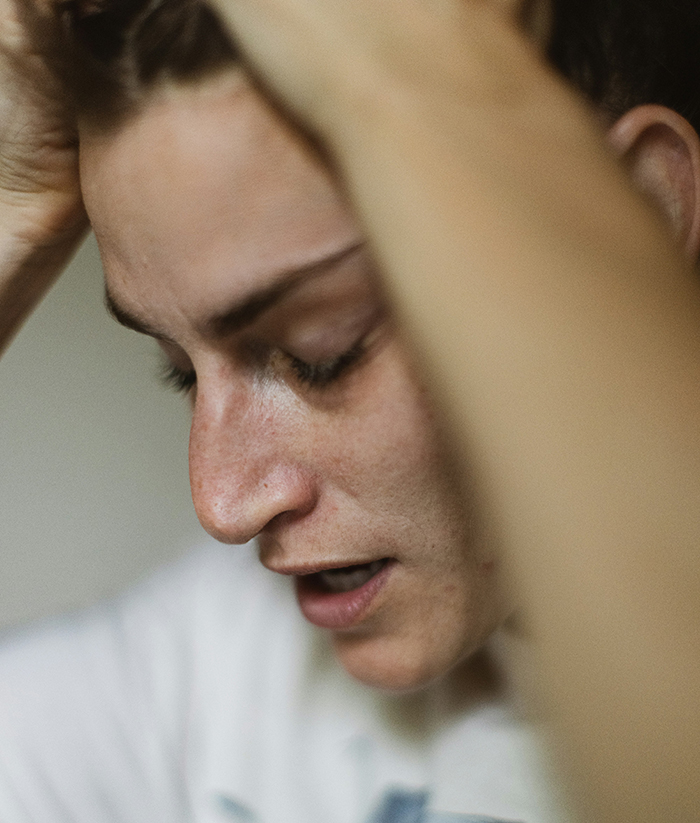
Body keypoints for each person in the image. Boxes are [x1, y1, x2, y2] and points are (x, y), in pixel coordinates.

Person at [0, 0, 699, 821]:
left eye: (321, 351)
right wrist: (11, 205)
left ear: (646, 207)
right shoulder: (219, 690)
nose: (222, 503)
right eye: (180, 372)